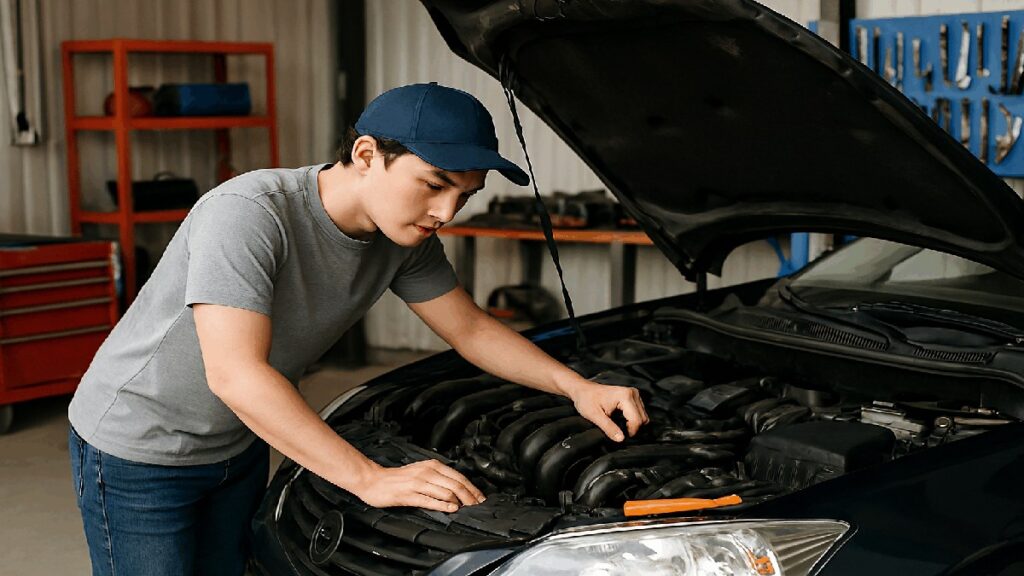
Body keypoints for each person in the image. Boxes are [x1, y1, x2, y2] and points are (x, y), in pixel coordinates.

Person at [66, 82, 649, 575]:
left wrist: (577, 387)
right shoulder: (248, 213)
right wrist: (368, 478)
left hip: (236, 443)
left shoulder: (402, 237)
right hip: (138, 448)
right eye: (434, 184)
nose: (446, 213)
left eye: (464, 196)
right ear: (367, 154)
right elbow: (236, 374)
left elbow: (470, 329)